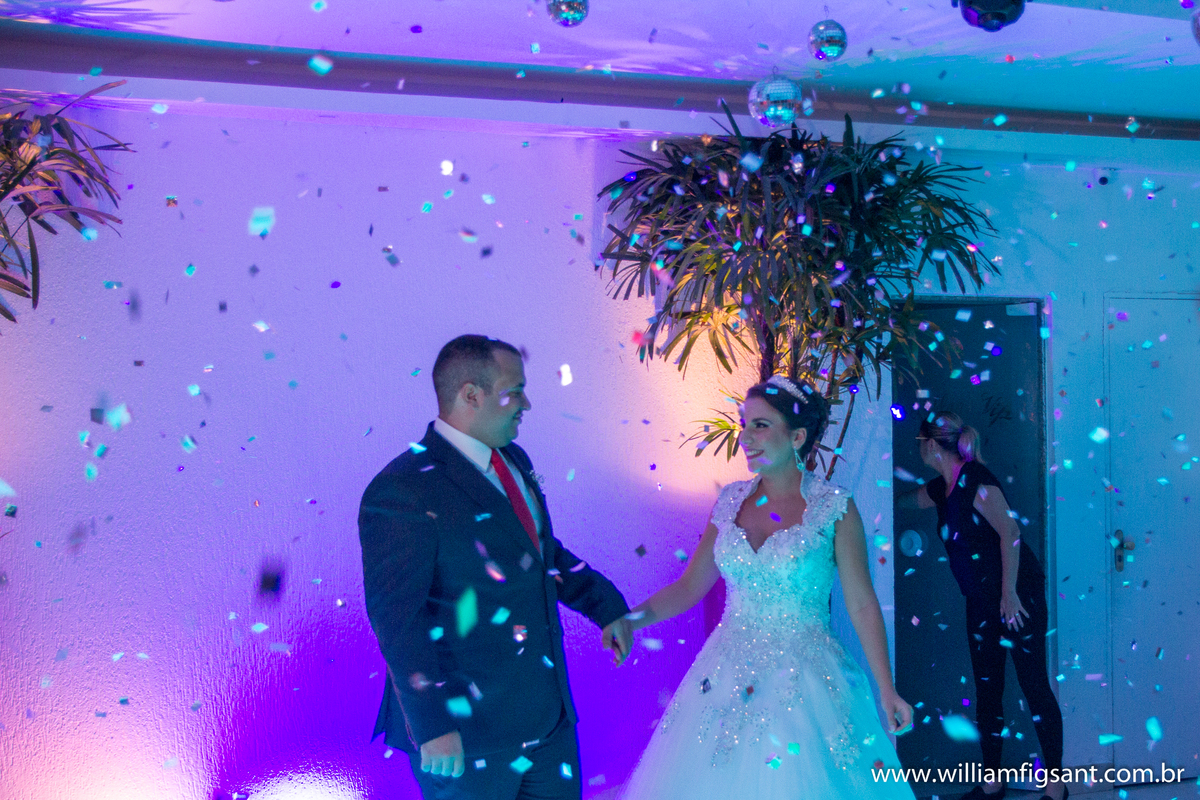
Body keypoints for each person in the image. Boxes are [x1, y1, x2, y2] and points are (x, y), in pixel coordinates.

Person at [358, 334, 633, 800]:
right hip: (465, 741)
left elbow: (541, 555)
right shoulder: (402, 490)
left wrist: (605, 606)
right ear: (471, 395)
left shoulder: (514, 461)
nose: (526, 403)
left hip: (548, 723)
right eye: (515, 390)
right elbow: (397, 620)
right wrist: (432, 726)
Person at [618, 374, 917, 799]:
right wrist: (632, 621)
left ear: (797, 436)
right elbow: (689, 587)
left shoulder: (835, 507)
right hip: (723, 674)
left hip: (807, 678)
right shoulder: (728, 502)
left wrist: (887, 690)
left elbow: (862, 604)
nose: (745, 437)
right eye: (744, 424)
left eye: (760, 425)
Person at [897, 412, 1066, 800]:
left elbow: (1011, 532)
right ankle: (993, 783)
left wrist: (1009, 594)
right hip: (980, 602)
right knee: (988, 690)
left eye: (920, 441)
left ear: (931, 444)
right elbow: (909, 501)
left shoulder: (976, 480)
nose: (918, 448)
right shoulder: (944, 487)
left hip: (1016, 598)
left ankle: (1057, 789)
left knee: (1034, 685)